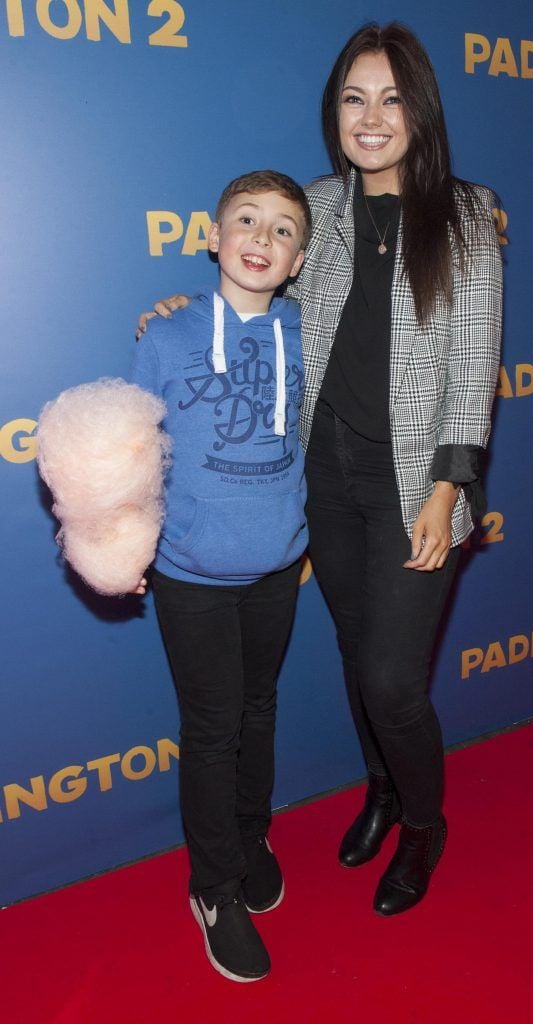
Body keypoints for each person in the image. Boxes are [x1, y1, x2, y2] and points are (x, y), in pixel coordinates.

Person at [138, 23, 502, 919]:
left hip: (419, 487)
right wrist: (185, 308)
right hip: (324, 483)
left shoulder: (467, 214)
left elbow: (474, 366)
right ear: (333, 111)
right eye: (353, 97)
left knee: (391, 678)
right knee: (351, 648)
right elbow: (252, 284)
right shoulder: (316, 208)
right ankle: (379, 788)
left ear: (420, 108)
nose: (371, 117)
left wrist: (448, 488)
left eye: (391, 97)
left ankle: (424, 822)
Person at [131, 169, 311, 982]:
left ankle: (250, 832)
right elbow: (134, 450)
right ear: (211, 236)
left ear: (299, 258)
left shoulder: (308, 332)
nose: (261, 239)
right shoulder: (165, 336)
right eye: (246, 220)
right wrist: (123, 544)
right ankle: (215, 887)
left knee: (261, 709)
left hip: (277, 565)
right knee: (213, 728)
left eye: (282, 230)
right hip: (191, 574)